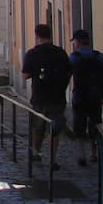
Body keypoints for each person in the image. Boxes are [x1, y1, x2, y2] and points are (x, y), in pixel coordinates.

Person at [21, 23, 71, 169]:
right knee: (54, 130)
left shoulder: (33, 53)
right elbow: (68, 73)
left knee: (38, 127)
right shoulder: (60, 53)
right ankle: (52, 159)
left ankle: (36, 152)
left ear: (37, 36)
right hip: (57, 96)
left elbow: (25, 75)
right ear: (51, 35)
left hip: (39, 96)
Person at [69, 30, 103, 167]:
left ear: (77, 42)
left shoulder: (74, 57)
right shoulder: (99, 56)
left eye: (74, 41)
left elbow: (66, 74)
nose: (74, 44)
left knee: (79, 126)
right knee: (95, 124)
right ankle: (94, 153)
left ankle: (82, 154)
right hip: (95, 96)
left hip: (80, 96)